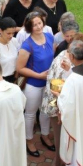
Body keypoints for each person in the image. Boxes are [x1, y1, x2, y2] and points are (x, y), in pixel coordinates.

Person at [43, 32, 83, 166]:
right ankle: (59, 163)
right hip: (57, 104)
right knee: (60, 135)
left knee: (61, 134)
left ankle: (61, 161)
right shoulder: (65, 62)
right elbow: (58, 86)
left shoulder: (63, 54)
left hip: (57, 102)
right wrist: (58, 109)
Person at [16, 11, 54, 157]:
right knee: (30, 114)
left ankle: (45, 135)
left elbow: (52, 57)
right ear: (29, 27)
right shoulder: (27, 45)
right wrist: (38, 75)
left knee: (46, 111)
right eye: (34, 25)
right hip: (33, 84)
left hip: (49, 83)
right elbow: (20, 68)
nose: (38, 27)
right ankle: (29, 140)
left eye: (39, 23)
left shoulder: (50, 37)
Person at [0, 17, 19, 83]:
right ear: (0, 30)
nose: (11, 36)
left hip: (15, 76)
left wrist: (16, 75)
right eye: (8, 33)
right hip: (2, 80)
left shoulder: (14, 41)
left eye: (13, 33)